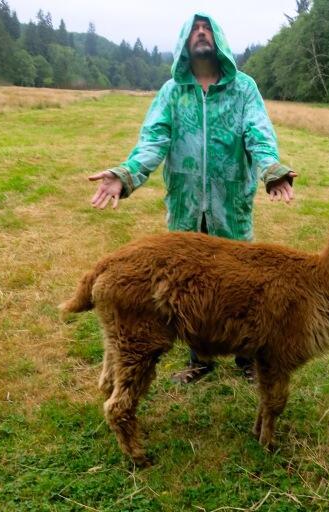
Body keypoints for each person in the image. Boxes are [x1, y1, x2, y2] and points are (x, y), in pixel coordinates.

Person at [89, 13, 297, 384]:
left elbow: (258, 134)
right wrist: (124, 175)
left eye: (207, 28)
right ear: (186, 41)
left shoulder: (243, 88)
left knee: (239, 285)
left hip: (229, 205)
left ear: (218, 39)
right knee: (190, 287)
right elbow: (153, 141)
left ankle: (247, 358)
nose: (201, 33)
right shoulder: (173, 91)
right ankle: (199, 359)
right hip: (186, 206)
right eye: (194, 29)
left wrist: (272, 170)